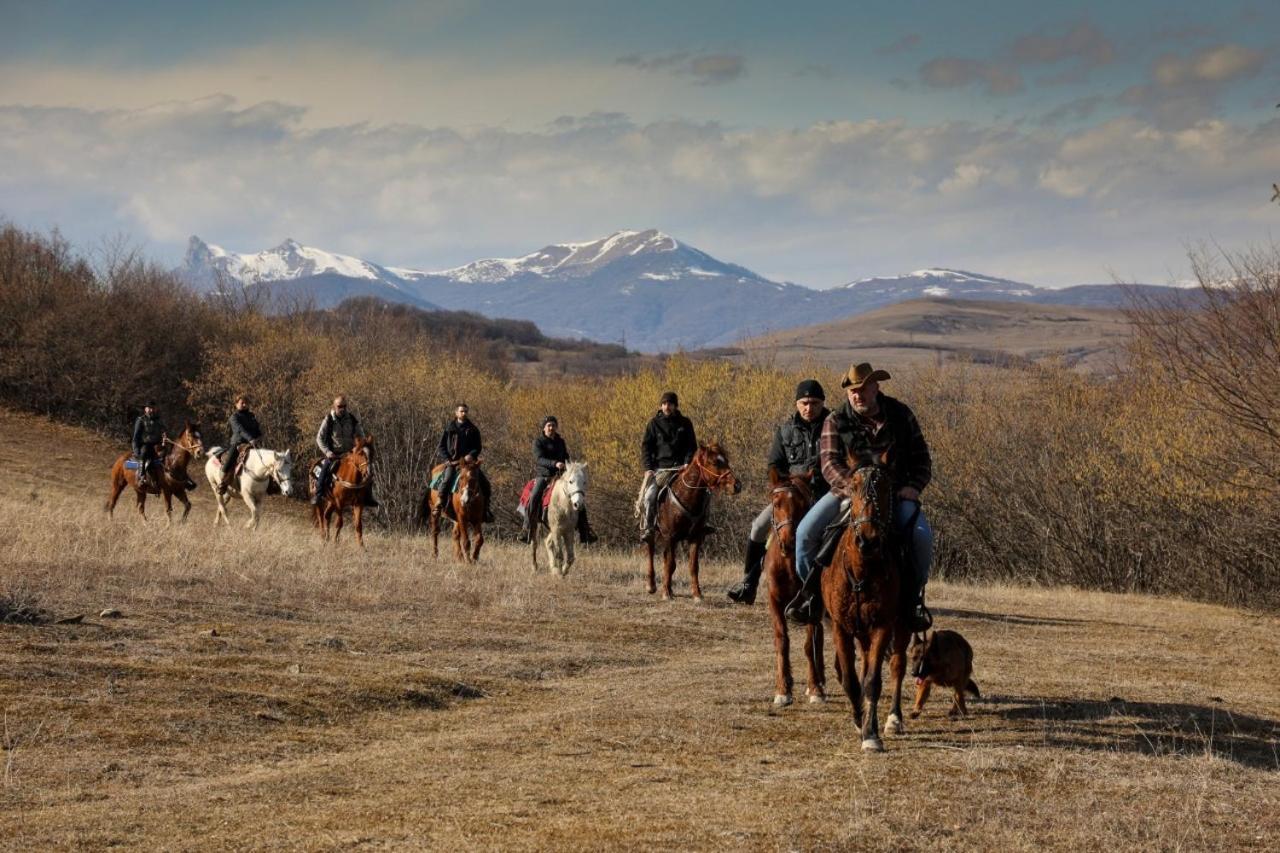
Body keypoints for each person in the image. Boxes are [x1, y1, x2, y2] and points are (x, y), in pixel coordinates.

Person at [786, 363, 933, 631]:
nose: (857, 395)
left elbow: (922, 459)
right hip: (847, 494)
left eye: (863, 389)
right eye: (852, 390)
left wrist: (914, 486)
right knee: (805, 533)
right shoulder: (836, 420)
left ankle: (913, 601)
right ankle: (813, 599)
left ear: (876, 387)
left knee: (921, 537)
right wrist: (854, 486)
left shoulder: (901, 415)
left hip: (896, 494)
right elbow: (828, 462)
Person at [726, 379, 830, 605]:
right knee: (758, 527)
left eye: (814, 403)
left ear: (822, 403)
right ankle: (749, 582)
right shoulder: (785, 431)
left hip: (824, 495)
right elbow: (774, 465)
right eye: (804, 403)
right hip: (791, 495)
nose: (808, 408)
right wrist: (788, 484)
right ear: (796, 404)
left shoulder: (834, 426)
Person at [518, 415, 599, 544]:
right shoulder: (538, 442)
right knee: (534, 496)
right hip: (544, 476)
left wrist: (571, 466)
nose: (551, 428)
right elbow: (539, 459)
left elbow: (566, 456)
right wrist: (555, 463)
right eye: (549, 425)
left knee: (578, 496)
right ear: (544, 428)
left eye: (553, 425)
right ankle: (526, 528)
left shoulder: (561, 441)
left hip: (561, 476)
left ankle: (585, 531)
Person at [639, 390, 698, 544]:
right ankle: (648, 527)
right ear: (661, 405)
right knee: (649, 496)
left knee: (703, 491)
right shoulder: (653, 424)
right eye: (664, 404)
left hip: (682, 469)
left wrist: (687, 462)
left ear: (676, 406)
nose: (667, 407)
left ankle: (702, 525)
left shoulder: (685, 423)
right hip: (661, 469)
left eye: (670, 404)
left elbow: (692, 446)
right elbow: (646, 447)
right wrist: (648, 468)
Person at [313, 395, 379, 507]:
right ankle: (318, 495)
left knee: (366, 470)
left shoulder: (352, 419)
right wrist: (327, 452)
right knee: (325, 471)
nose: (342, 408)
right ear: (334, 406)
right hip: (333, 454)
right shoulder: (328, 419)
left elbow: (361, 436)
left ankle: (368, 496)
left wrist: (358, 446)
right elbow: (319, 438)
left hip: (349, 454)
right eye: (339, 406)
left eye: (344, 406)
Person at [434, 403, 492, 522]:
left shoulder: (473, 429)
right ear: (456, 413)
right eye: (461, 411)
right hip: (453, 462)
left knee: (485, 483)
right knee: (448, 478)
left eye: (465, 411)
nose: (464, 413)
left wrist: (471, 455)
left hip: (469, 464)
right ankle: (440, 502)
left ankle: (486, 509)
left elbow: (478, 446)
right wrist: (448, 459)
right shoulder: (449, 428)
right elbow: (441, 446)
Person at [218, 395, 263, 495]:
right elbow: (239, 430)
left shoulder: (252, 416)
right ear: (236, 404)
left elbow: (256, 428)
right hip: (238, 443)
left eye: (246, 403)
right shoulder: (234, 417)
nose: (244, 404)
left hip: (252, 444)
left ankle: (269, 485)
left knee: (264, 461)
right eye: (242, 403)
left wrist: (259, 436)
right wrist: (250, 438)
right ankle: (222, 484)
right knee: (228, 463)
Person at [131, 401, 167, 488]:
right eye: (149, 408)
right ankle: (141, 477)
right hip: (146, 445)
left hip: (159, 444)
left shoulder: (159, 420)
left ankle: (182, 478)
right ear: (145, 409)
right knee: (144, 454)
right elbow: (135, 437)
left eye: (153, 408)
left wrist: (165, 436)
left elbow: (164, 430)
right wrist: (136, 450)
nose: (151, 410)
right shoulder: (141, 420)